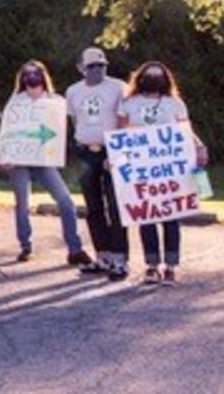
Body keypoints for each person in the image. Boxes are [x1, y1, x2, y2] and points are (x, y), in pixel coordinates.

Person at [118, 61, 208, 286]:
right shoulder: (129, 103)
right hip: (141, 169)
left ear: (166, 80)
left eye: (158, 76)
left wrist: (199, 146)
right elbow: (120, 133)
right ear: (140, 78)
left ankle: (170, 266)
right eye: (149, 76)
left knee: (170, 217)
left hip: (169, 170)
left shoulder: (174, 103)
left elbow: (186, 130)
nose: (153, 79)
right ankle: (151, 266)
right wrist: (115, 157)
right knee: (146, 216)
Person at [0, 60, 89, 265]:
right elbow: (8, 133)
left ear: (43, 76)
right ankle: (25, 246)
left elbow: (65, 124)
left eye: (35, 74)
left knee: (66, 202)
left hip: (43, 160)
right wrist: (4, 157)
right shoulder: (15, 102)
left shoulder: (56, 101)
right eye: (27, 75)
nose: (31, 78)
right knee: (22, 203)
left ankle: (74, 249)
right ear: (21, 79)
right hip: (19, 160)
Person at [65, 47, 130, 281]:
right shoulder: (73, 91)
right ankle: (102, 256)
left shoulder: (118, 87)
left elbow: (124, 119)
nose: (97, 70)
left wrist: (116, 151)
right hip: (85, 152)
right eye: (92, 66)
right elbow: (74, 119)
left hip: (111, 152)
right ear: (81, 68)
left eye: (101, 65)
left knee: (115, 206)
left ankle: (120, 259)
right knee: (93, 207)